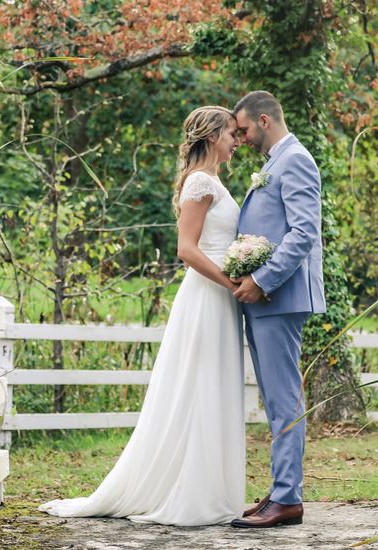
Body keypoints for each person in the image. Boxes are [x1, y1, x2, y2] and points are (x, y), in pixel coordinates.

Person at [38, 106, 245, 526]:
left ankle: (211, 489)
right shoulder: (202, 181)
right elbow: (186, 250)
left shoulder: (216, 181)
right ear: (210, 136)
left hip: (220, 295)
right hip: (208, 294)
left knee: (214, 384)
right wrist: (231, 282)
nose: (236, 140)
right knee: (200, 385)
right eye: (230, 133)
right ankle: (191, 494)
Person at [229, 91, 326, 529]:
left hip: (280, 297)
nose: (241, 137)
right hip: (268, 299)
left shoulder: (296, 160)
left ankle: (288, 499)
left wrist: (261, 280)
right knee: (274, 398)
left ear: (264, 120)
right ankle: (281, 487)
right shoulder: (275, 162)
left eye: (244, 129)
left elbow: (303, 234)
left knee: (284, 399)